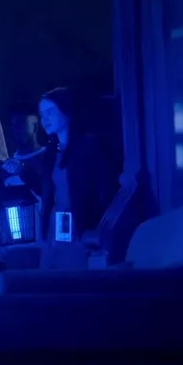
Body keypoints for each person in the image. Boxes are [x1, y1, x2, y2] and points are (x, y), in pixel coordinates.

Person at [33, 87, 120, 270]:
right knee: (48, 279)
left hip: (79, 228)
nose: (44, 119)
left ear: (66, 111)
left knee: (72, 276)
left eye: (50, 112)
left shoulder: (89, 146)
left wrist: (98, 230)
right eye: (42, 115)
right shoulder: (51, 152)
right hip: (53, 229)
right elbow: (48, 194)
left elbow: (106, 192)